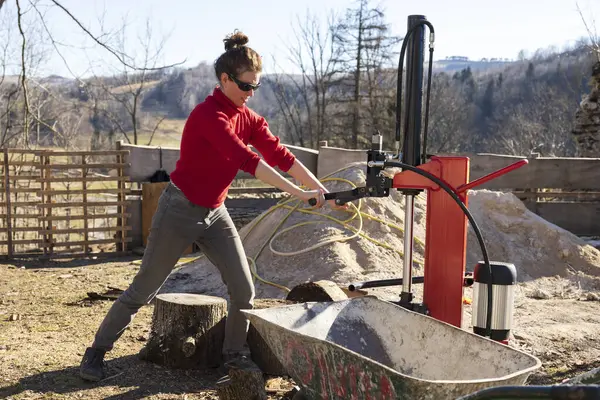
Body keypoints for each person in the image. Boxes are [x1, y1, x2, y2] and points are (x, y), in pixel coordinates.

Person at [79, 30, 332, 382]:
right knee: (144, 289)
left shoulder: (249, 117)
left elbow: (278, 154)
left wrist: (319, 188)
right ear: (225, 79)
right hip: (178, 210)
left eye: (255, 87)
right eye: (245, 87)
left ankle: (234, 356)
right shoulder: (208, 116)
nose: (250, 94)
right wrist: (297, 193)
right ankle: (96, 352)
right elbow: (247, 160)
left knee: (244, 288)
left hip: (215, 212)